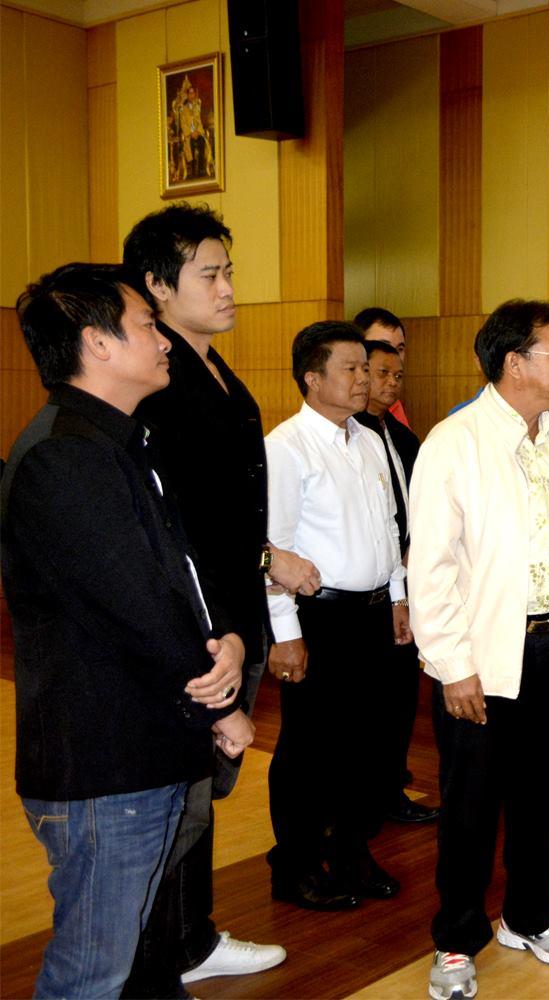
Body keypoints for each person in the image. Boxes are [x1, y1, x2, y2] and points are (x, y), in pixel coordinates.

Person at [2, 263, 255, 999]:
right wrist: (222, 705)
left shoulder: (116, 440)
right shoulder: (65, 456)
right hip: (104, 762)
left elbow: (180, 570)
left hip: (140, 750)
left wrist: (231, 637)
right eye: (147, 323)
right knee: (90, 974)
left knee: (130, 959)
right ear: (97, 343)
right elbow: (138, 609)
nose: (164, 339)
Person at [123, 202, 305, 994]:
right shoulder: (159, 387)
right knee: (181, 799)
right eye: (211, 274)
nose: (229, 288)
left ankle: (189, 936)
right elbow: (180, 526)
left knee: (202, 794)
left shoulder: (211, 369)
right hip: (198, 625)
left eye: (229, 271)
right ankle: (167, 951)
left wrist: (262, 562)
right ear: (159, 287)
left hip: (236, 613)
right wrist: (261, 564)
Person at [408, 299, 549, 1000]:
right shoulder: (454, 442)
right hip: (485, 653)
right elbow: (429, 567)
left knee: (540, 796)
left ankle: (531, 916)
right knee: (470, 804)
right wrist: (453, 665)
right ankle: (457, 940)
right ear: (514, 362)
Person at [264, 322, 410, 911]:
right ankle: (295, 863)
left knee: (368, 743)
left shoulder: (369, 440)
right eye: (350, 368)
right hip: (319, 617)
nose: (363, 379)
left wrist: (398, 596)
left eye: (365, 369)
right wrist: (285, 633)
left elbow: (389, 528)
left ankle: (352, 851)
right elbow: (273, 545)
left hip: (372, 614)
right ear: (312, 378)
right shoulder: (287, 446)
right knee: (309, 748)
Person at [355, 338, 440, 825]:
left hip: (410, 579)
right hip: (370, 588)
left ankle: (390, 791)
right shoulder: (352, 435)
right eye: (380, 373)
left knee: (401, 697)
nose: (390, 383)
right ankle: (357, 802)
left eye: (398, 376)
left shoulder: (404, 438)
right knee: (366, 704)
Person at [355, 305, 411, 427]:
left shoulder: (392, 405)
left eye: (400, 349)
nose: (393, 356)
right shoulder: (342, 416)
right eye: (383, 346)